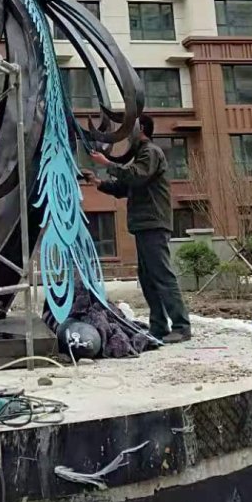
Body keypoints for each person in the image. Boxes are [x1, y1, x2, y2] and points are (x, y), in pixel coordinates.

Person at [89, 114, 191, 344]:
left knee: (162, 275)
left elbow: (135, 177)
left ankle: (182, 326)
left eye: (130, 129)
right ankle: (159, 326)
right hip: (144, 225)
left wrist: (107, 164)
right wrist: (99, 183)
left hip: (153, 223)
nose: (127, 136)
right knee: (148, 278)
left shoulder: (151, 152)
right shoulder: (141, 156)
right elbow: (125, 188)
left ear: (141, 128)